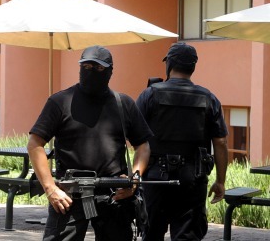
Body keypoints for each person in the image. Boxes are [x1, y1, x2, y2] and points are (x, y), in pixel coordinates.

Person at [27, 45, 153, 241]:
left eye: (99, 68)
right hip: (69, 195)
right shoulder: (60, 101)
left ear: (110, 71)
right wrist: (50, 188)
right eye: (86, 66)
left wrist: (134, 180)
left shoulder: (123, 104)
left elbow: (143, 146)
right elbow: (35, 143)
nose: (91, 72)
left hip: (113, 194)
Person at [136, 42, 228, 241]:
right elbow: (220, 142)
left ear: (169, 64)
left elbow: (134, 137)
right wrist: (220, 181)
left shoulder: (149, 94)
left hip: (155, 179)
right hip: (192, 180)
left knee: (151, 235)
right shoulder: (209, 98)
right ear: (193, 66)